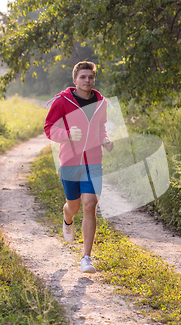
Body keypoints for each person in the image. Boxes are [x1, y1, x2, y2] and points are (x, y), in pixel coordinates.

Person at [44, 61, 113, 273]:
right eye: (83, 77)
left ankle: (86, 257)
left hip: (93, 162)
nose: (87, 81)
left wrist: (105, 139)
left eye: (90, 77)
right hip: (70, 162)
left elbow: (101, 127)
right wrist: (66, 136)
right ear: (75, 80)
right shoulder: (62, 101)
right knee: (73, 207)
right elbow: (49, 128)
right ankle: (67, 218)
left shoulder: (101, 103)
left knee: (90, 205)